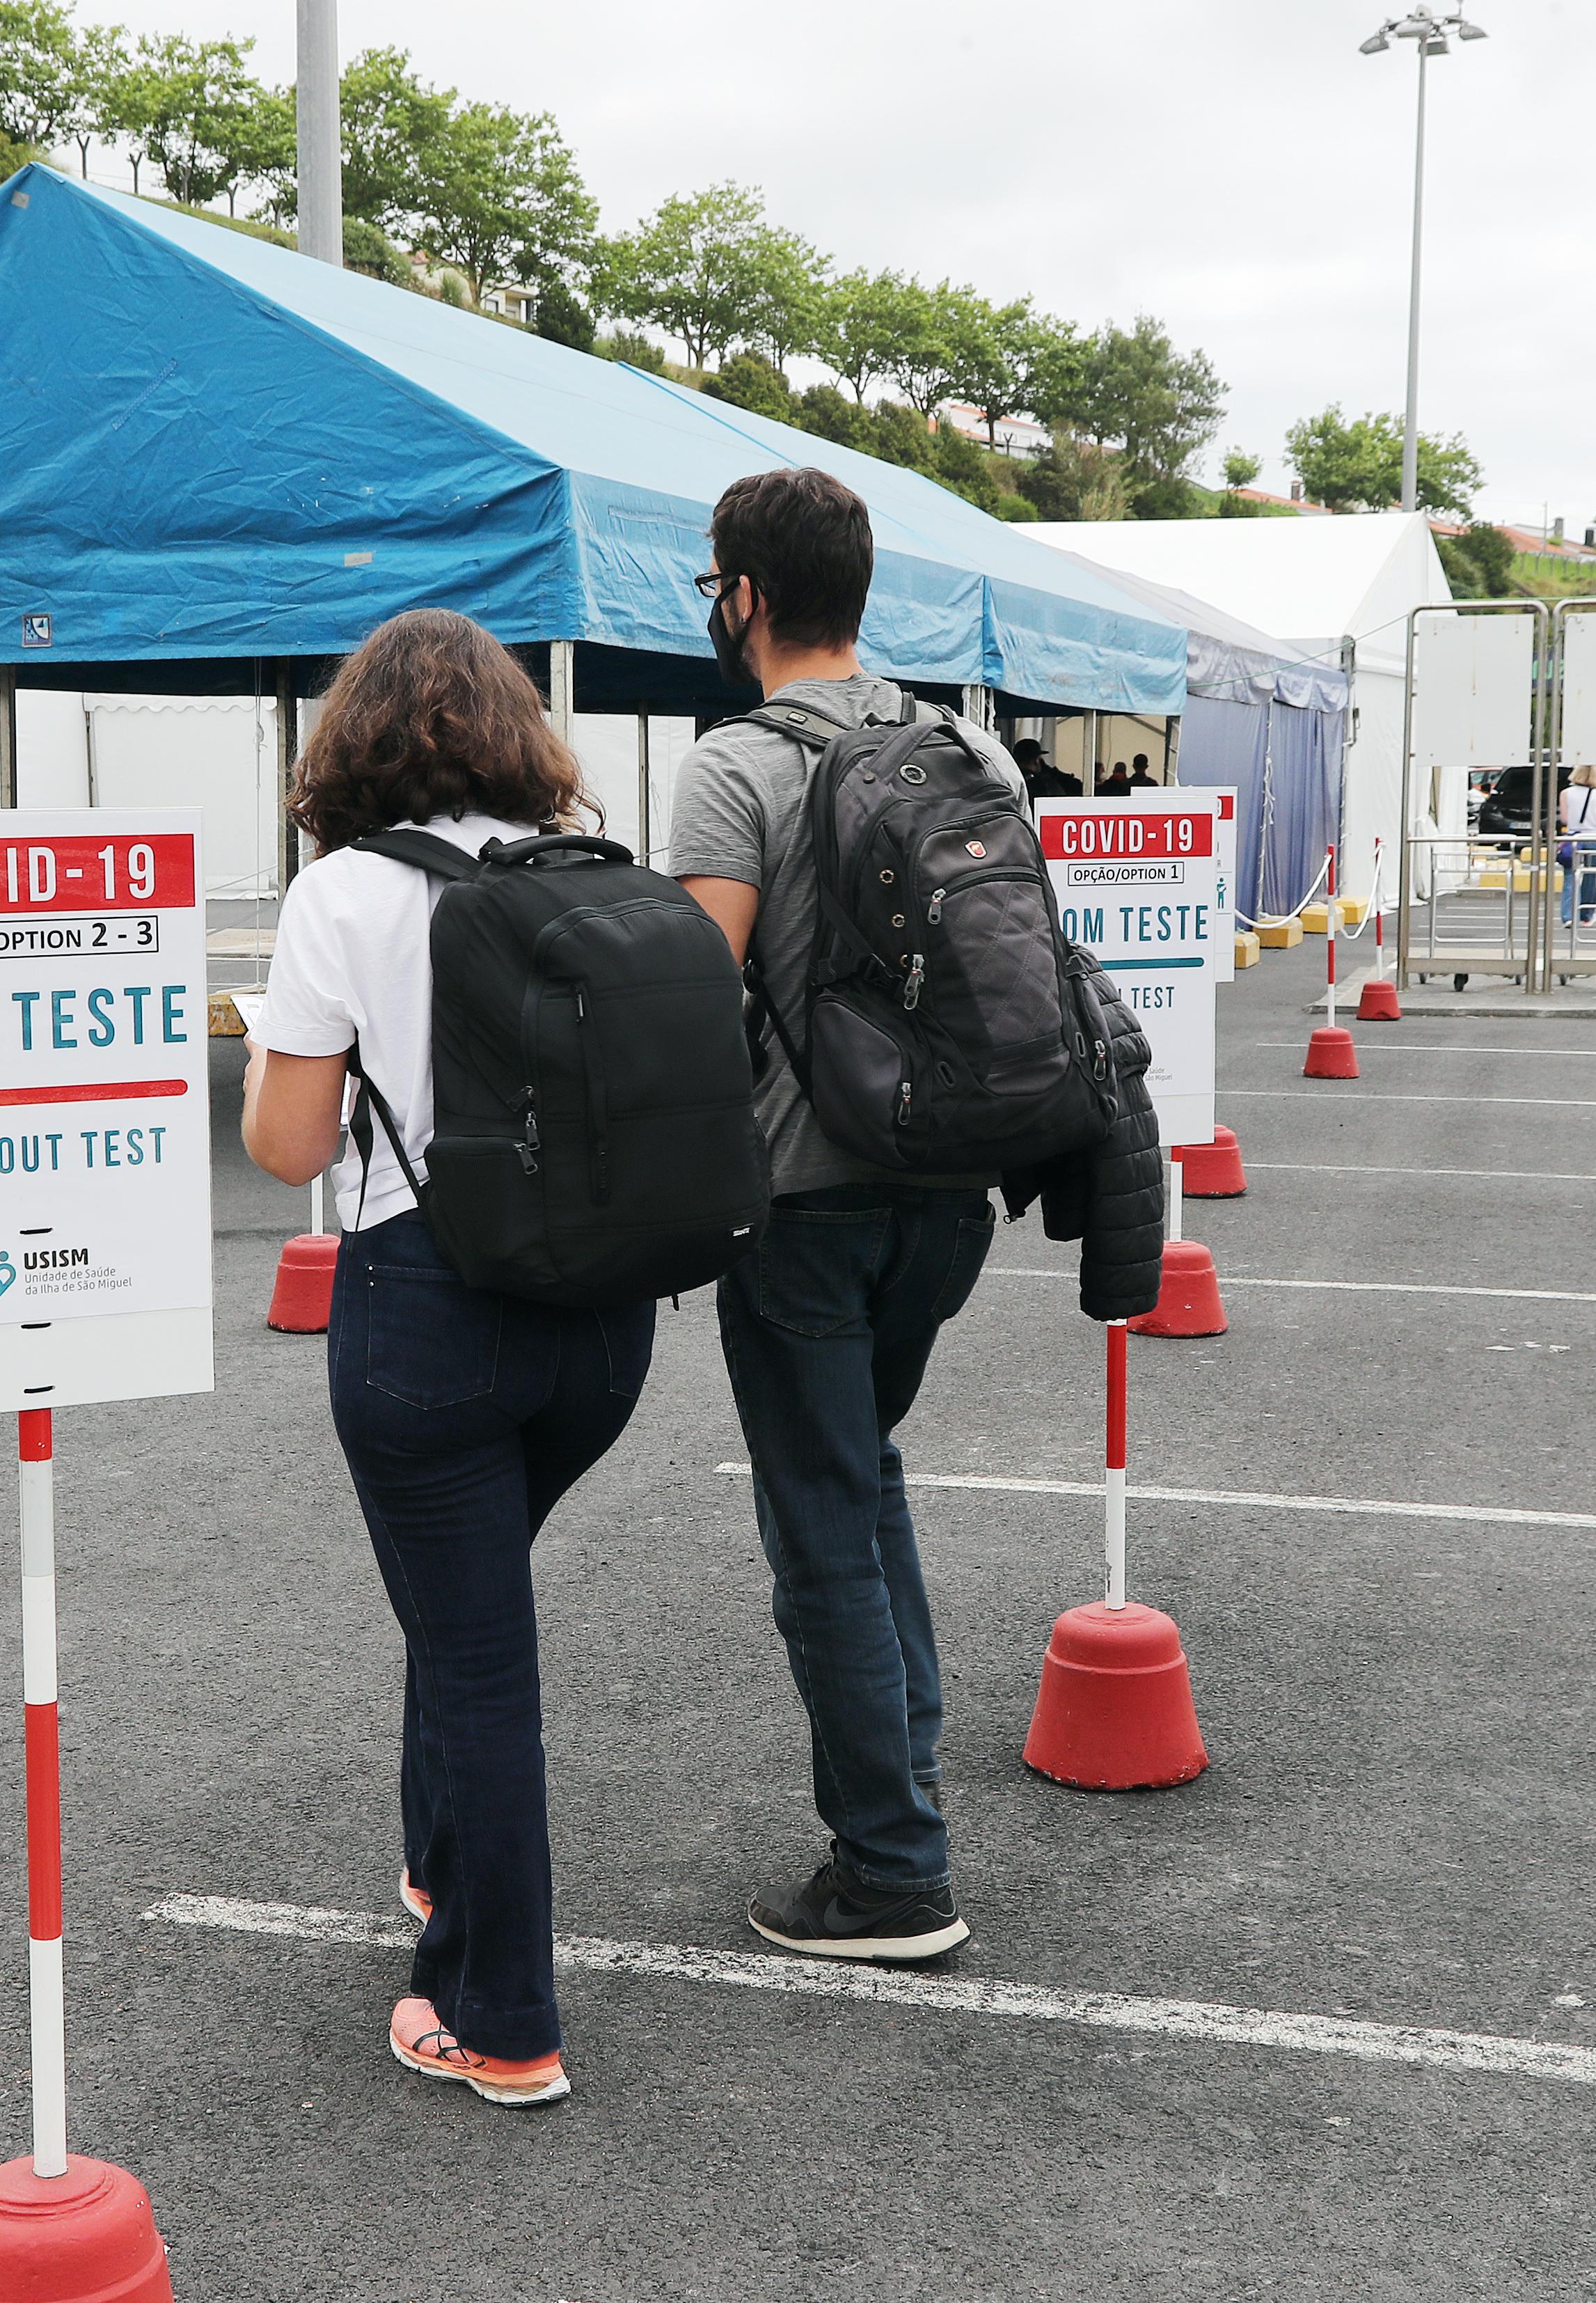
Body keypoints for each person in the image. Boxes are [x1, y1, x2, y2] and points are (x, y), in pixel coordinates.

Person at [242, 608, 656, 2108]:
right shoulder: (599, 876)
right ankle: (435, 1864)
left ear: (352, 740)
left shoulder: (342, 894)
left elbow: (289, 1142)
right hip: (605, 1324)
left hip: (428, 1309)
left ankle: (500, 2012)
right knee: (463, 1603)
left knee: (476, 1649)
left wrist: (274, 1051)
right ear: (516, 737)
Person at [672, 466, 1011, 1964]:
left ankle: (892, 1869)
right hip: (949, 1192)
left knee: (818, 1518)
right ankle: (903, 1797)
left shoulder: (733, 763)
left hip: (803, 1195)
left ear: (743, 593)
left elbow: (689, 995)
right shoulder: (967, 742)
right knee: (863, 1482)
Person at [1557, 762, 1596, 930]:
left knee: (1570, 876)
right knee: (1590, 876)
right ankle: (1587, 915)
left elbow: (1564, 819)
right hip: (1593, 836)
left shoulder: (1565, 793)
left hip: (1573, 838)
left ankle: (1568, 917)